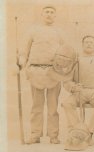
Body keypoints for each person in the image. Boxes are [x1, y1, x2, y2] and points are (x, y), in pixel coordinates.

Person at [18, 5, 65, 144]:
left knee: (52, 107)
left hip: (54, 73)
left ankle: (53, 135)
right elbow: (24, 51)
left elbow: (65, 52)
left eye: (52, 12)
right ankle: (35, 134)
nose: (49, 14)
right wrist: (21, 63)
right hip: (36, 72)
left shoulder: (59, 32)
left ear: (55, 16)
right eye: (47, 12)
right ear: (42, 15)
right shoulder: (33, 31)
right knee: (36, 106)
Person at [62, 35, 94, 145]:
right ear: (82, 45)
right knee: (67, 103)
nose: (89, 44)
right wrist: (73, 87)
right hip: (80, 92)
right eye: (86, 42)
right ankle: (77, 131)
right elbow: (66, 80)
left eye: (91, 42)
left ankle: (89, 133)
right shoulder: (75, 61)